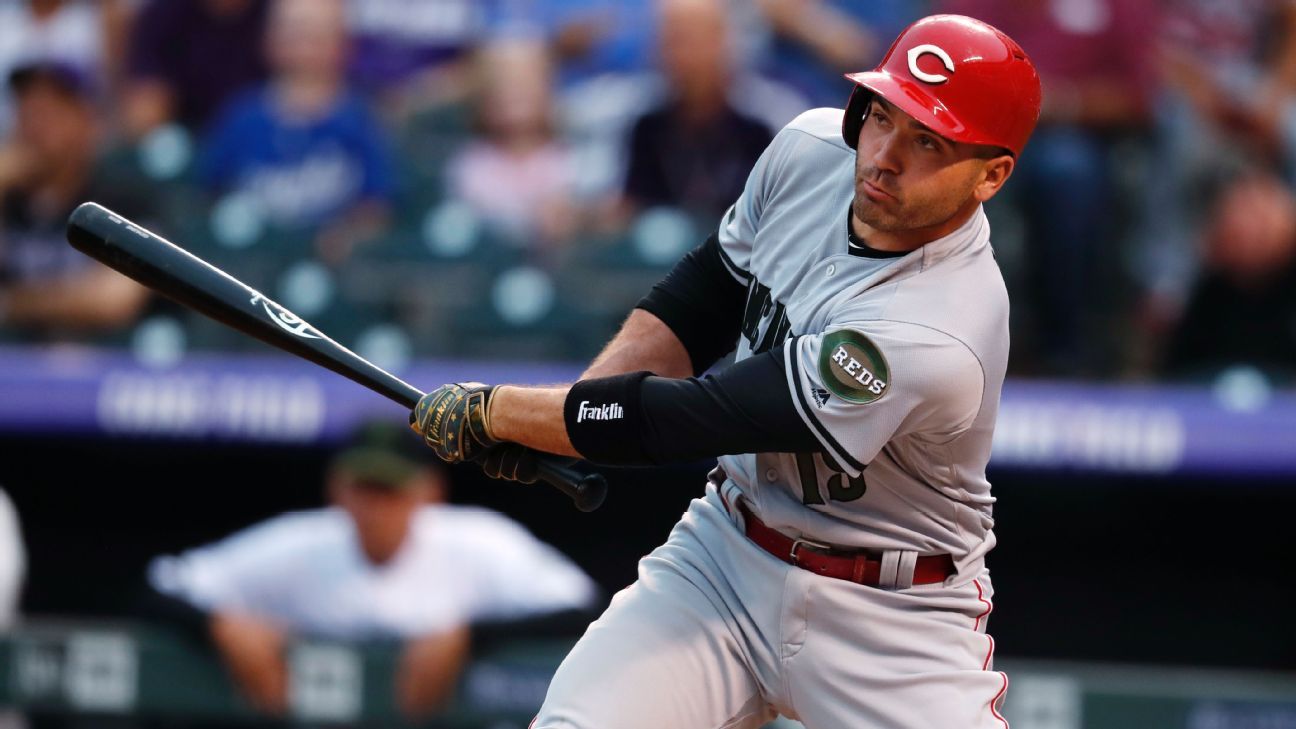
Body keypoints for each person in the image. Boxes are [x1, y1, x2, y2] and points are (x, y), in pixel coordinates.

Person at [411, 13, 1040, 728]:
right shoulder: (810, 150)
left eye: (928, 140)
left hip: (890, 620)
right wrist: (573, 413)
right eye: (884, 116)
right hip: (726, 560)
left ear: (991, 174)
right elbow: (702, 298)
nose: (884, 156)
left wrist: (506, 413)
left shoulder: (939, 325)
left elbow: (699, 414)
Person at [145, 423, 598, 717]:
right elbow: (158, 585)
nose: (375, 506)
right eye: (365, 487)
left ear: (427, 492)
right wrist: (219, 624)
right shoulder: (300, 544)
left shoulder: (476, 542)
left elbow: (582, 606)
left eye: (390, 489)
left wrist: (471, 635)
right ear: (338, 489)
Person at [198, 0, 393, 264]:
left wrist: (349, 237)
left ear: (344, 44)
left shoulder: (362, 118)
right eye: (294, 32)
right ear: (269, 39)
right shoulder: (242, 115)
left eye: (316, 34)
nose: (304, 46)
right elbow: (208, 196)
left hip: (331, 267)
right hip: (251, 263)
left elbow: (378, 206)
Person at [0, 61, 150, 336]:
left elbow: (114, 300)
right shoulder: (9, 194)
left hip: (101, 360)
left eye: (49, 112)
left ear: (86, 119)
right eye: (26, 111)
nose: (34, 127)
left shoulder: (118, 194)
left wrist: (15, 303)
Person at [620, 0, 775, 221]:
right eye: (673, 41)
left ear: (726, 42)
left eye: (695, 40)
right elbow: (628, 212)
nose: (684, 56)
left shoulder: (764, 119)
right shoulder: (644, 125)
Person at [124, 0, 270, 138]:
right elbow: (145, 106)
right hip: (186, 141)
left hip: (264, 140)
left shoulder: (278, 13)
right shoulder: (163, 15)